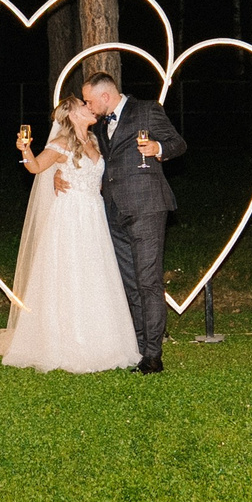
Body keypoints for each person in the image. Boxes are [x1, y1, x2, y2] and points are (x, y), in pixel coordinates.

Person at [0, 98, 140, 373]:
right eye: (83, 105)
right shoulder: (61, 143)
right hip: (70, 216)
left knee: (95, 275)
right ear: (72, 114)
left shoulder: (95, 141)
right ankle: (68, 341)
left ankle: (102, 340)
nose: (89, 107)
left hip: (94, 215)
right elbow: (36, 168)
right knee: (70, 275)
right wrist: (25, 150)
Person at [79, 70, 186, 373]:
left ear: (105, 95)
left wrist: (158, 149)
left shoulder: (147, 110)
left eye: (90, 100)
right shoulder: (101, 124)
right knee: (130, 284)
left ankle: (153, 355)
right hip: (114, 212)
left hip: (147, 207)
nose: (89, 106)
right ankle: (139, 348)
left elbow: (178, 143)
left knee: (148, 281)